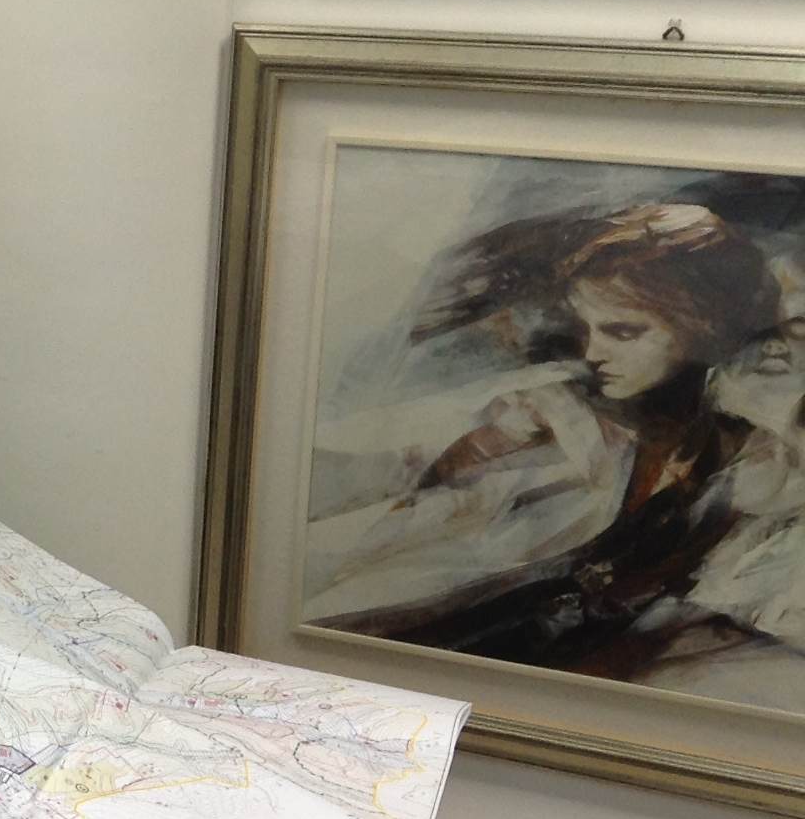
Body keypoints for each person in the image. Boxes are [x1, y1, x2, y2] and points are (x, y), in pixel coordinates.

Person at [313, 202, 780, 671]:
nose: (592, 353)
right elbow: (390, 534)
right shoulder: (537, 419)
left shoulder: (745, 455)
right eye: (585, 328)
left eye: (623, 332)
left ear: (706, 329)